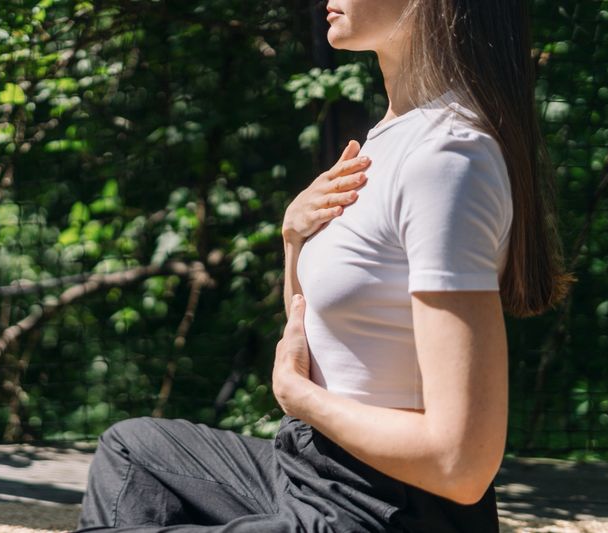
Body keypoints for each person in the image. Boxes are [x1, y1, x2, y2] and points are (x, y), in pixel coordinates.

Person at [74, 1, 573, 531]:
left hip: (384, 507)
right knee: (132, 450)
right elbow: (317, 336)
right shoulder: (392, 133)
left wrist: (302, 400)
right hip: (313, 467)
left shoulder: (448, 159)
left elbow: (461, 464)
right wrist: (294, 239)